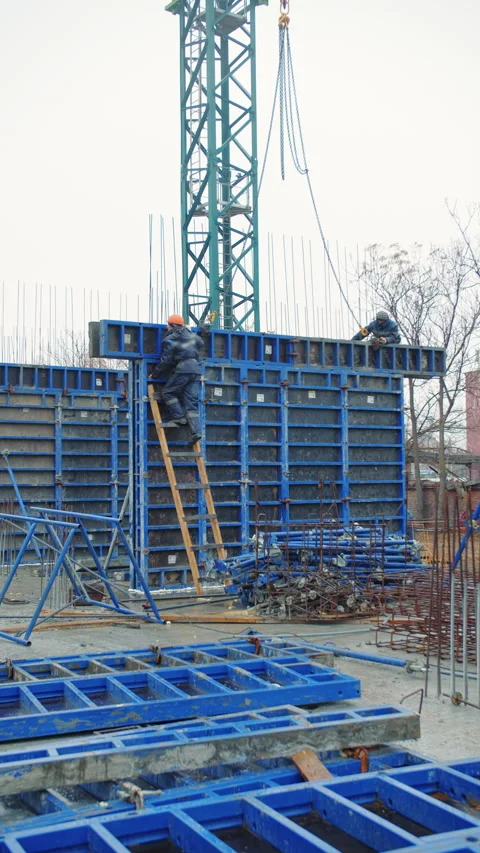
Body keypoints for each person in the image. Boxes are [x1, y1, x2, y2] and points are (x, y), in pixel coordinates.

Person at [149, 314, 204, 445]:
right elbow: (201, 343)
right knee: (191, 402)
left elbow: (166, 360)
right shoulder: (192, 336)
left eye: (168, 324)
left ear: (172, 325)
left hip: (183, 368)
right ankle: (196, 431)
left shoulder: (171, 338)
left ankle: (179, 417)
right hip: (196, 369)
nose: (166, 327)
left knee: (168, 392)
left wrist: (155, 374)